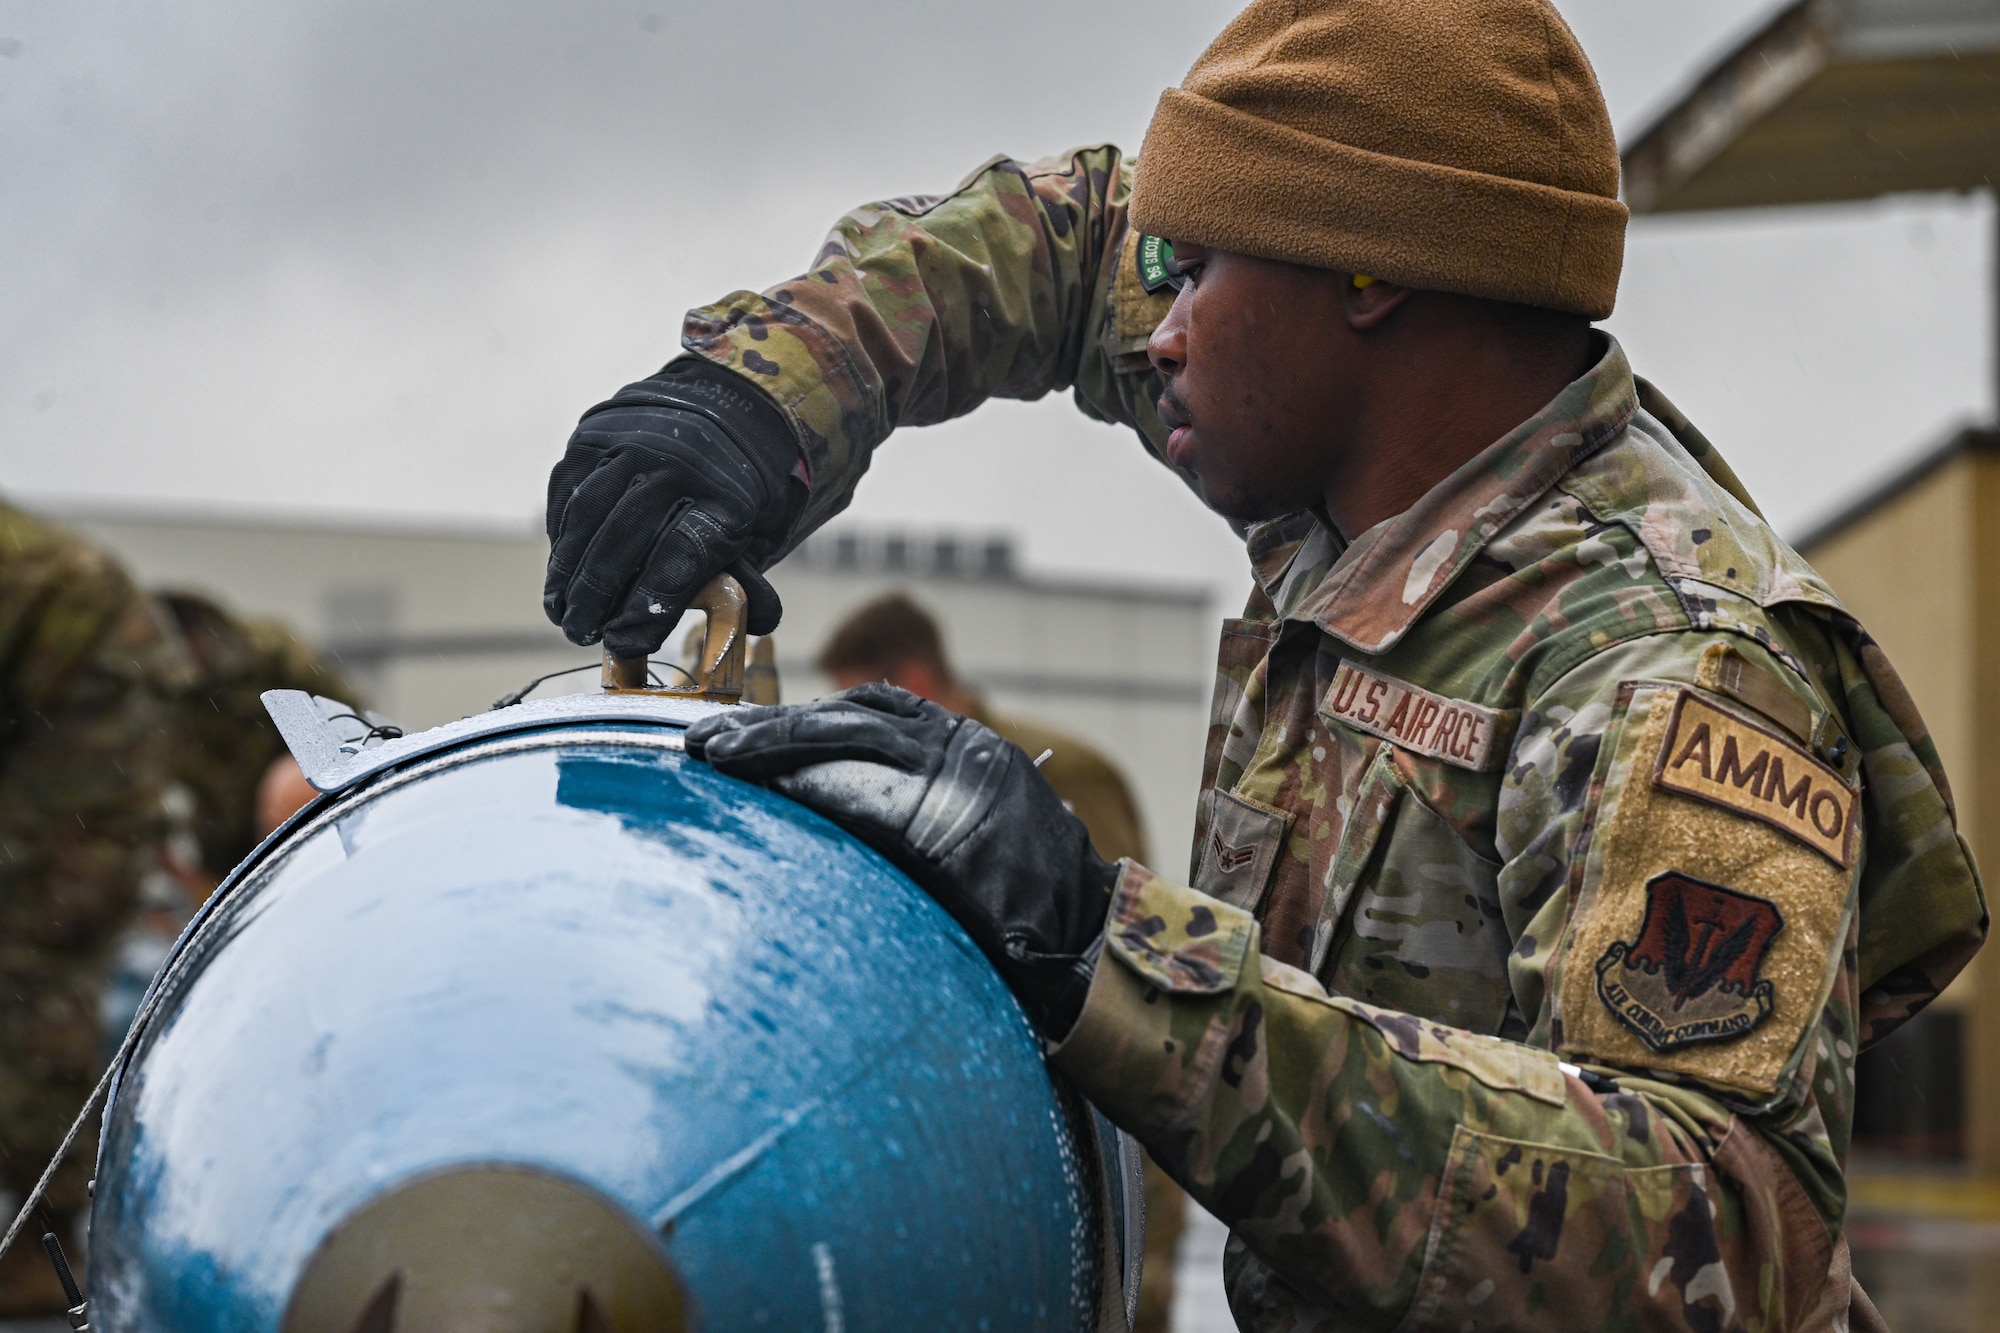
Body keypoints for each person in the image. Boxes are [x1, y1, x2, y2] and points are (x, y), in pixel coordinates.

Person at [541, 1, 1987, 1326]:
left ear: (1368, 277)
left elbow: (1723, 1237)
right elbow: (1064, 245)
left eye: (1195, 272)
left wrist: (1104, 949)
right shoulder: (1352, 440)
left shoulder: (1672, 670)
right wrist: (760, 390)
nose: (1153, 327)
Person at [817, 591, 1183, 1328]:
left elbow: (1129, 960)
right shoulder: (889, 776)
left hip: (1089, 1127)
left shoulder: (1060, 771)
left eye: (858, 696)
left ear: (911, 680)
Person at [0, 502, 186, 1316]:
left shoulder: (48, 585)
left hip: (86, 713)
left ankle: (46, 1240)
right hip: (56, 697)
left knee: (34, 957)